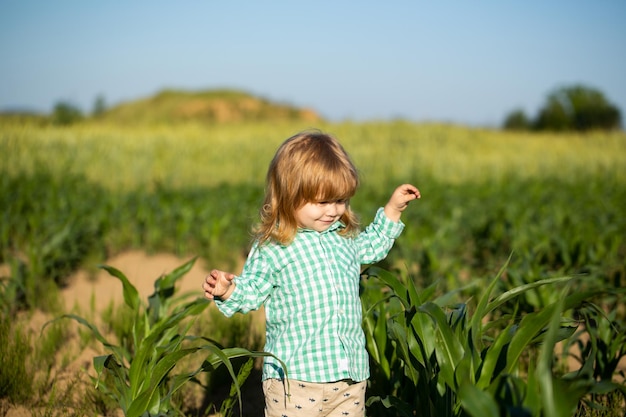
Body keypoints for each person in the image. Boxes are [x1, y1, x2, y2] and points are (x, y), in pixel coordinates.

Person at [203, 130, 420, 417]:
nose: (333, 210)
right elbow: (253, 290)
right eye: (322, 202)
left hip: (349, 377)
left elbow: (373, 245)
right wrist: (228, 290)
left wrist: (392, 210)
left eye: (340, 200)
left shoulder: (345, 239)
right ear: (289, 195)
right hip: (295, 380)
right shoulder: (275, 247)